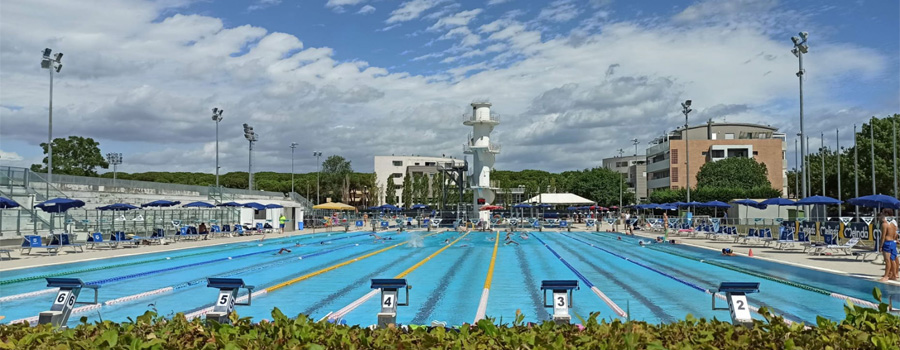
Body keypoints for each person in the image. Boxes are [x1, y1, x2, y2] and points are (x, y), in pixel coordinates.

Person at [879, 208, 898, 282]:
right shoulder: (893, 223)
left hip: (887, 243)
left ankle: (886, 276)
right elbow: (896, 234)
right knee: (892, 259)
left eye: (882, 214)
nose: (881, 215)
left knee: (887, 260)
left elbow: (883, 236)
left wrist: (881, 246)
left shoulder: (884, 224)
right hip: (893, 242)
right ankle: (894, 275)